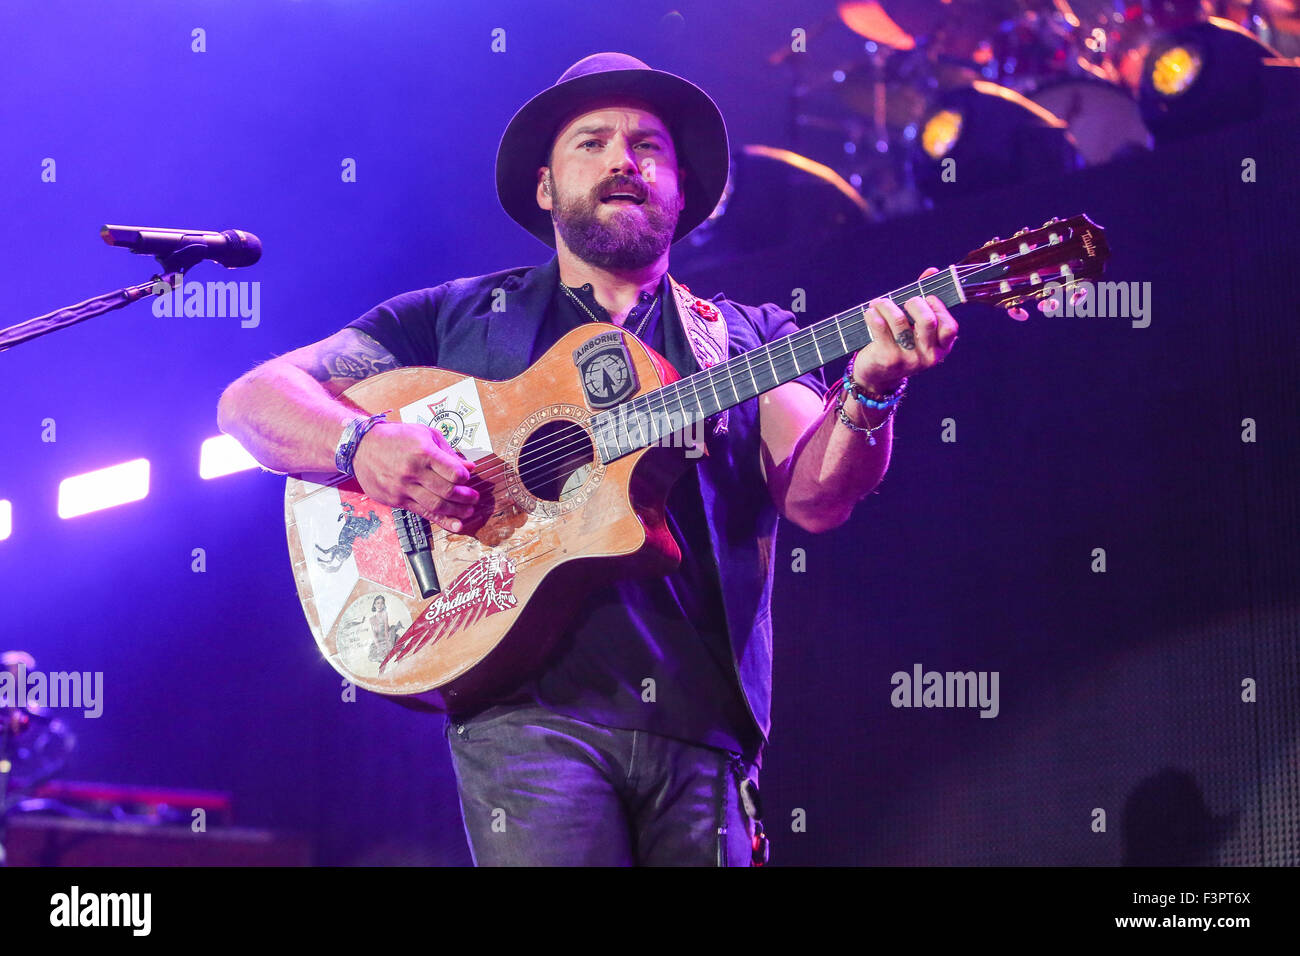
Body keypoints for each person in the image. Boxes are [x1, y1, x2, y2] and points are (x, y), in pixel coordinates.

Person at [216, 52, 958, 866]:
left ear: (680, 189)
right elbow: (252, 400)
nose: (622, 160)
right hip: (526, 718)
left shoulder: (747, 340)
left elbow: (818, 497)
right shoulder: (457, 319)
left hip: (706, 729)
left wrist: (875, 390)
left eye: (648, 146)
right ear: (545, 187)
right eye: (592, 142)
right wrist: (363, 444)